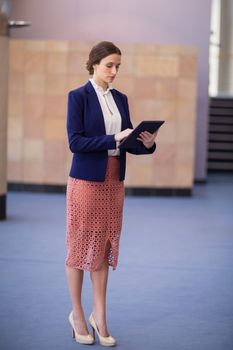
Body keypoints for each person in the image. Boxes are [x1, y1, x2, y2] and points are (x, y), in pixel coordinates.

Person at [65, 41, 158, 346]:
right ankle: (77, 314)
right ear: (93, 64)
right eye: (109, 65)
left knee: (104, 247)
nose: (115, 71)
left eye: (118, 65)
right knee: (79, 247)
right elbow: (76, 142)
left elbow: (126, 141)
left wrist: (145, 143)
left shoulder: (121, 99)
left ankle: (100, 315)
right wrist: (111, 138)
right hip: (85, 182)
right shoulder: (78, 97)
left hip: (113, 180)